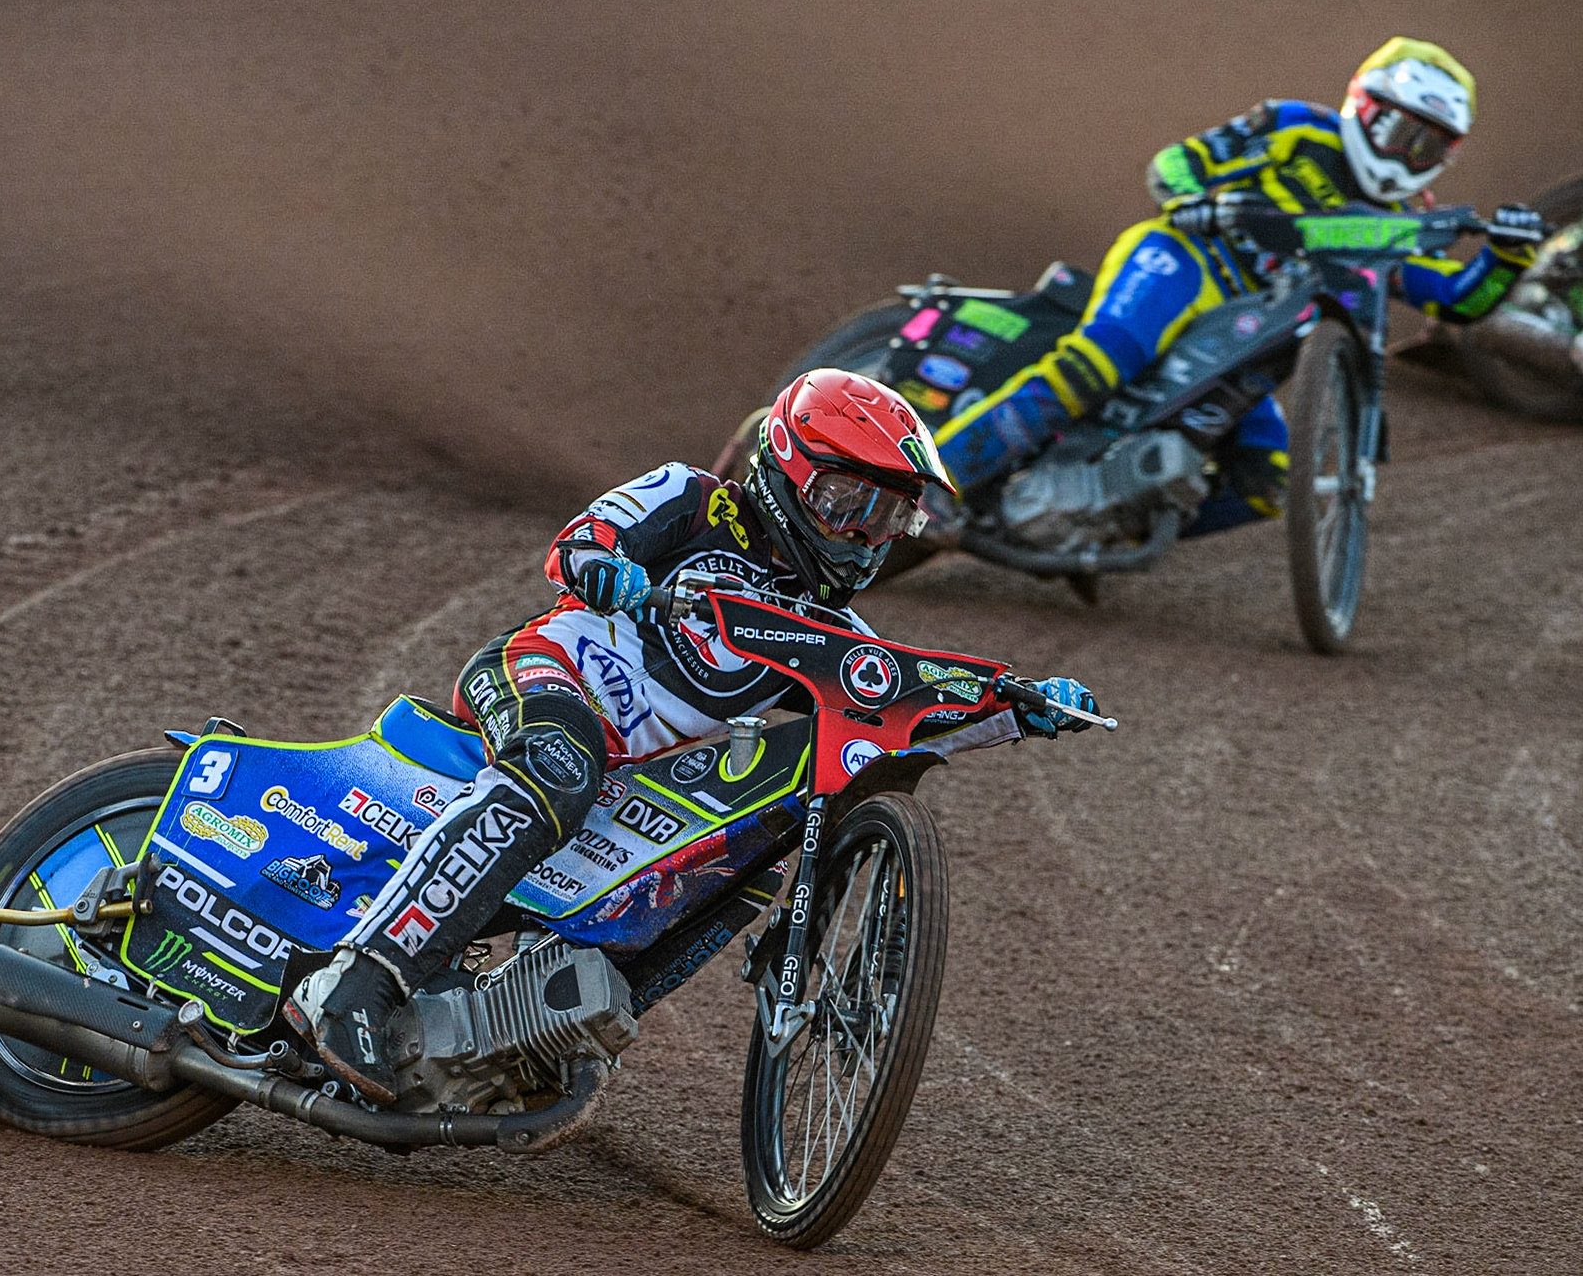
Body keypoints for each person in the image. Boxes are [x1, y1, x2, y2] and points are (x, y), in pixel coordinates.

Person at [285, 368, 1100, 1102]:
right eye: (847, 503)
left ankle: (546, 1031)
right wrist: (604, 564)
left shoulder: (831, 630)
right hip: (543, 673)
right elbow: (584, 538)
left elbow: (897, 706)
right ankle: (357, 983)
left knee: (744, 860)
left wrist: (1013, 706)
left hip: (625, 775)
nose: (862, 534)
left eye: (887, 516)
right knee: (560, 765)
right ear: (787, 468)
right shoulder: (695, 497)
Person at [932, 36, 1545, 533]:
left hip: (1247, 339)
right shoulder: (1295, 126)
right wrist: (1193, 199)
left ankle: (1095, 528)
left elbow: (1457, 299)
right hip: (1185, 263)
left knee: (1268, 480)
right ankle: (935, 486)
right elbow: (1175, 163)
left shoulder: (1398, 227)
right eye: (1399, 133)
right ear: (1364, 107)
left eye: (1429, 147)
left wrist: (1508, 255)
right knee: (1098, 362)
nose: (1407, 155)